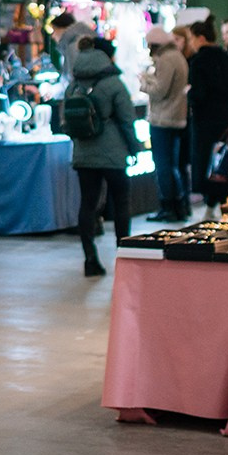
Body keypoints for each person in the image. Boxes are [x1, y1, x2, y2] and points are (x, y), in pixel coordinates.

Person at [67, 37, 139, 279]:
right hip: (113, 154)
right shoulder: (114, 83)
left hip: (83, 154)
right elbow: (127, 120)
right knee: (122, 202)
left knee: (88, 203)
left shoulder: (74, 83)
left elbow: (66, 120)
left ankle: (90, 258)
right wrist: (135, 149)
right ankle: (124, 256)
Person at [182, 19, 228, 207]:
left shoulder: (199, 62)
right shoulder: (227, 58)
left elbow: (199, 94)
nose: (190, 44)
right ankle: (225, 202)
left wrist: (189, 92)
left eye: (192, 39)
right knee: (225, 162)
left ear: (200, 38)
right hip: (227, 118)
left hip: (205, 122)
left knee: (206, 163)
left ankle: (211, 203)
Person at [141, 26, 190, 221]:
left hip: (163, 119)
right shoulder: (177, 56)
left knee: (163, 165)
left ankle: (168, 207)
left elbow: (160, 90)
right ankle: (179, 206)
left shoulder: (165, 59)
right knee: (172, 165)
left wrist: (144, 83)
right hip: (176, 117)